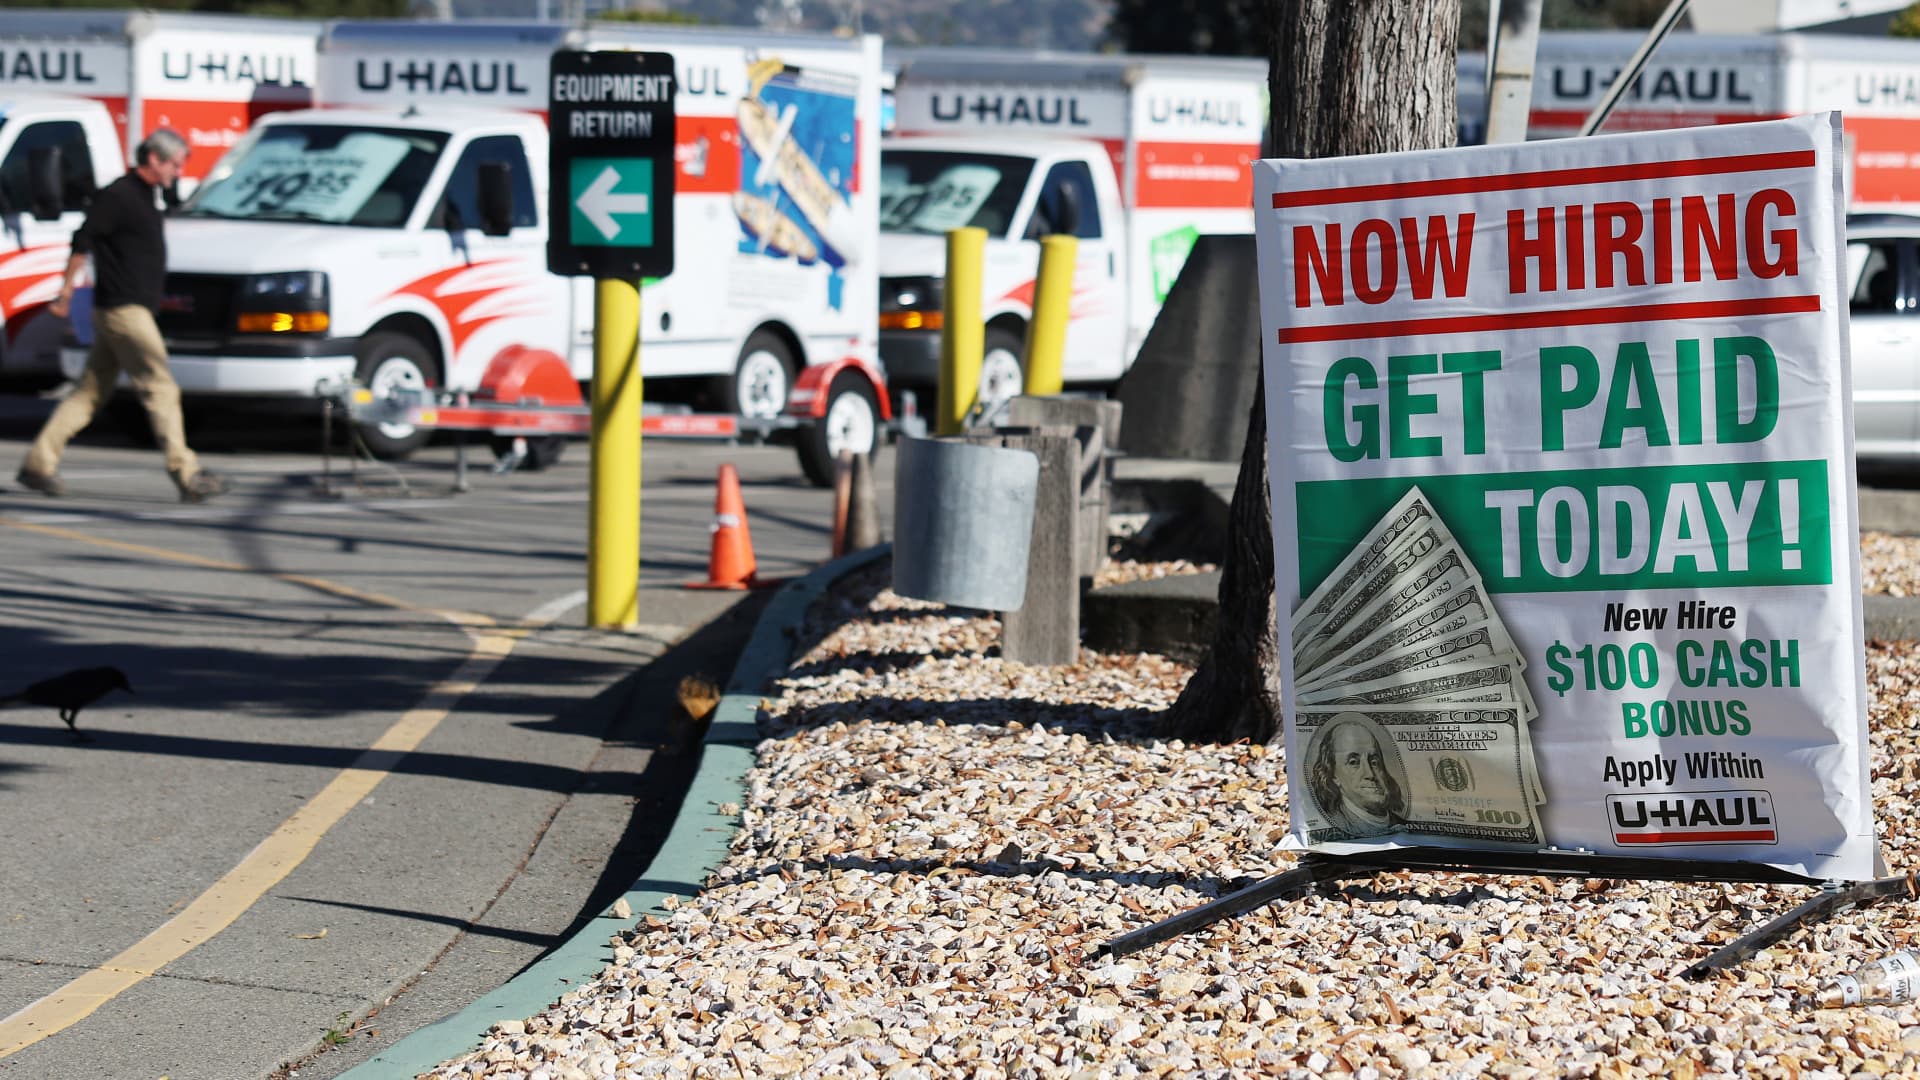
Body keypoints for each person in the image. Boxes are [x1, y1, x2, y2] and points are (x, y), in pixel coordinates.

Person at [15, 129, 227, 503]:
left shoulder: (147, 197)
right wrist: (65, 292)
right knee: (160, 386)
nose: (178, 172)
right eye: (175, 165)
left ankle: (38, 463)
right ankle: (186, 471)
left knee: (89, 393)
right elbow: (83, 241)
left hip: (127, 309)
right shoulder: (118, 196)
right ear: (154, 160)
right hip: (123, 310)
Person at [1306, 713, 1409, 839]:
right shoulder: (1335, 826)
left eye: (1374, 762)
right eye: (1353, 762)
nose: (1370, 774)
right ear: (1333, 775)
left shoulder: (1403, 825)